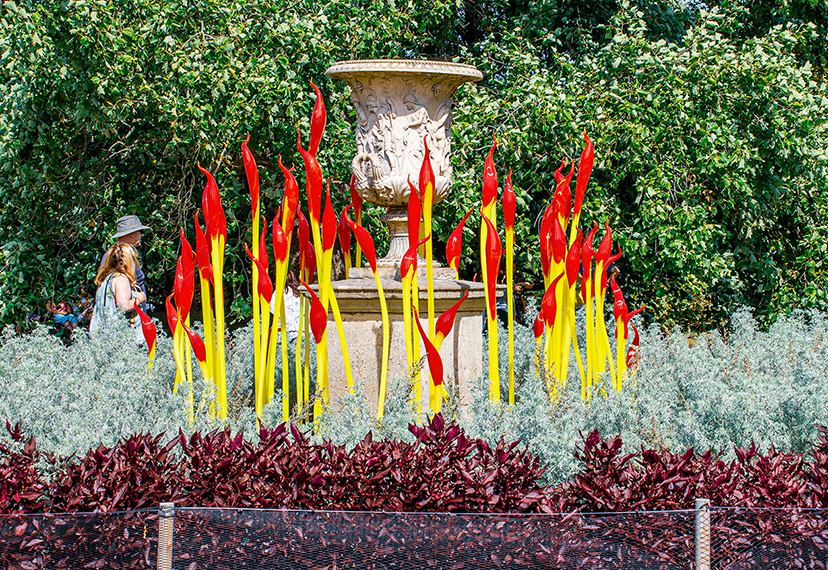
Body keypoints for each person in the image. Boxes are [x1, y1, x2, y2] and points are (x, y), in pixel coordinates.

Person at [89, 243, 147, 334]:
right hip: (119, 338)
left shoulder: (105, 279)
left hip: (103, 333)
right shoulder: (121, 279)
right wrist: (140, 298)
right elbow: (124, 306)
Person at [101, 215, 151, 312]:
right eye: (141, 232)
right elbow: (123, 305)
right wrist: (141, 297)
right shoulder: (120, 256)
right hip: (127, 320)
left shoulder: (110, 254)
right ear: (131, 234)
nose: (142, 235)